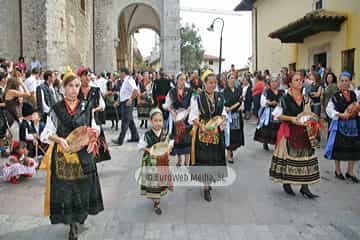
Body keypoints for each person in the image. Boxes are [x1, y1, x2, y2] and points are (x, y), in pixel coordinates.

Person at [40, 67, 104, 240]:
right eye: (70, 86)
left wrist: (92, 136)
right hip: (64, 158)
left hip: (83, 156)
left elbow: (94, 127)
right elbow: (45, 134)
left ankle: (80, 216)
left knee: (83, 189)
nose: (74, 89)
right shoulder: (56, 109)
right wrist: (59, 140)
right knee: (68, 192)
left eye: (76, 86)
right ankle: (72, 224)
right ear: (63, 88)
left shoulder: (87, 106)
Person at [270, 72, 320, 198]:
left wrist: (313, 120)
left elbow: (309, 114)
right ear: (290, 83)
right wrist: (292, 119)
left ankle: (305, 187)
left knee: (306, 158)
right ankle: (287, 183)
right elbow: (276, 115)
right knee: (290, 158)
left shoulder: (306, 98)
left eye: (301, 80)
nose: (299, 82)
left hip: (304, 132)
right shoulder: (285, 98)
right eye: (296, 80)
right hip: (290, 132)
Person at [188, 72, 227, 202]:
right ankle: (205, 187)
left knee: (213, 157)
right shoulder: (197, 98)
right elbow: (192, 117)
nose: (212, 85)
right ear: (204, 83)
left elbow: (223, 113)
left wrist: (223, 121)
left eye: (214, 83)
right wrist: (202, 126)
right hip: (203, 133)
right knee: (205, 159)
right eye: (210, 82)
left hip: (216, 132)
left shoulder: (220, 96)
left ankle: (209, 181)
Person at [325, 71, 360, 183]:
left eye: (346, 81)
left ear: (350, 82)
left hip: (353, 125)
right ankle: (338, 170)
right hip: (340, 124)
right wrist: (340, 114)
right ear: (339, 82)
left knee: (353, 149)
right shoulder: (335, 97)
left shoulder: (355, 94)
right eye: (342, 81)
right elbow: (329, 109)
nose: (344, 83)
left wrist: (355, 111)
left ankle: (350, 171)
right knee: (339, 148)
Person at [138, 108, 174, 215]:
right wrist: (149, 150)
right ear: (150, 121)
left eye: (160, 120)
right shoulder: (147, 134)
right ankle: (156, 201)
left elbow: (171, 143)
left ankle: (157, 199)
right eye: (155, 120)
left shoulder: (165, 132)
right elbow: (140, 146)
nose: (158, 123)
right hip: (151, 163)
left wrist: (169, 149)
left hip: (162, 161)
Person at [77, 66, 110, 163]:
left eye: (88, 75)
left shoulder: (95, 90)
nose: (87, 78)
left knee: (95, 145)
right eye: (85, 76)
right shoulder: (76, 91)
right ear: (80, 77)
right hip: (81, 122)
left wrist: (94, 109)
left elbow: (102, 105)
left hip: (94, 121)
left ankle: (92, 164)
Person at [163, 73, 192, 167]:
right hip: (176, 118)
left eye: (184, 79)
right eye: (181, 79)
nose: (183, 81)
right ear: (176, 80)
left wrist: (187, 111)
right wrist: (172, 111)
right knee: (178, 140)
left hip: (187, 118)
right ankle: (179, 160)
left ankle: (187, 162)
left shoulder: (189, 91)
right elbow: (167, 105)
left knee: (187, 140)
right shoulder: (171, 92)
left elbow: (193, 104)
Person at [254, 75, 284, 150]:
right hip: (269, 112)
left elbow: (285, 101)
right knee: (267, 128)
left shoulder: (282, 92)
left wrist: (278, 103)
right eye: (272, 82)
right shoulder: (266, 91)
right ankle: (265, 142)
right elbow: (262, 101)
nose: (274, 83)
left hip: (279, 113)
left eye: (276, 81)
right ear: (270, 83)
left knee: (278, 128)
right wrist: (270, 103)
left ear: (278, 83)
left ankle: (277, 143)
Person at [113, 67, 141, 145]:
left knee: (125, 121)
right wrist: (118, 101)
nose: (119, 74)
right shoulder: (125, 81)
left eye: (120, 72)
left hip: (127, 103)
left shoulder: (129, 80)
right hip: (124, 102)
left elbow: (136, 91)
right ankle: (135, 136)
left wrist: (131, 99)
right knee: (130, 121)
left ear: (123, 73)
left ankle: (120, 140)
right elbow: (123, 93)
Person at [224, 73, 244, 163]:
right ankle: (229, 154)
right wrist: (229, 108)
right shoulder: (224, 91)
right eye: (231, 78)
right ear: (227, 80)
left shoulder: (238, 90)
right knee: (229, 134)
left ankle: (231, 150)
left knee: (235, 134)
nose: (233, 80)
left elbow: (240, 101)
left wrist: (238, 106)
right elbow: (225, 104)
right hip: (228, 116)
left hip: (236, 115)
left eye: (234, 78)